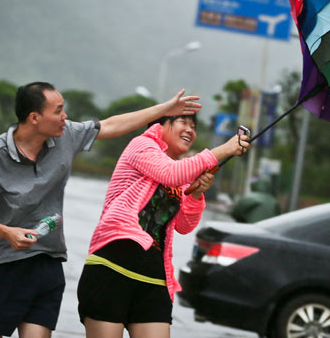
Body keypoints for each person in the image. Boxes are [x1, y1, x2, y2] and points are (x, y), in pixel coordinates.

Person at [0, 81, 201, 338]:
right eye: (58, 110)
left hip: (48, 261)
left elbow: (112, 125)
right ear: (34, 117)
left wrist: (165, 108)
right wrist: (6, 233)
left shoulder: (65, 136)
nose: (65, 116)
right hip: (1, 264)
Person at [76, 113, 249, 338]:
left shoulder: (182, 172)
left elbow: (184, 225)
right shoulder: (142, 145)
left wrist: (196, 193)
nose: (190, 130)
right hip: (112, 265)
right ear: (161, 125)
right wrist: (223, 150)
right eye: (183, 123)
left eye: (194, 126)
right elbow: (170, 173)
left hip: (153, 275)